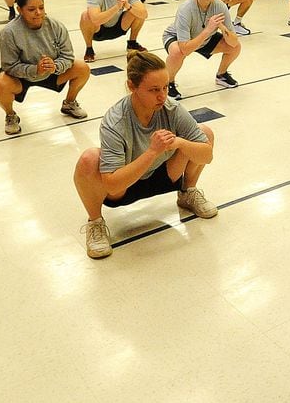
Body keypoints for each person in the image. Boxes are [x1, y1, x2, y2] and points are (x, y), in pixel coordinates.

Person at [73, 51, 217, 259]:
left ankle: (187, 193)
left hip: (166, 175)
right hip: (125, 186)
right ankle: (95, 223)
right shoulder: (115, 121)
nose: (162, 96)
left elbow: (207, 156)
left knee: (204, 134)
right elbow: (112, 185)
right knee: (89, 159)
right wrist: (152, 152)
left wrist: (180, 142)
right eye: (154, 90)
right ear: (132, 87)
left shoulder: (172, 108)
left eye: (166, 87)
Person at [0, 0, 90, 135]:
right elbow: (9, 65)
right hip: (22, 77)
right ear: (19, 10)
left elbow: (68, 56)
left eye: (41, 7)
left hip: (52, 72)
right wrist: (34, 70)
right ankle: (10, 115)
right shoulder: (9, 32)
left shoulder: (56, 26)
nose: (38, 12)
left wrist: (55, 66)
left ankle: (69, 103)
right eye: (31, 9)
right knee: (0, 84)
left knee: (82, 68)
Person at [162, 0, 242, 100]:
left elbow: (233, 42)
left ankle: (221, 75)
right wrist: (208, 30)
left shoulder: (220, 6)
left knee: (235, 47)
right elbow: (185, 49)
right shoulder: (185, 9)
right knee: (177, 52)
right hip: (177, 38)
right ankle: (168, 83)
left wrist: (221, 27)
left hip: (205, 37)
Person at [78, 0, 148, 62]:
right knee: (85, 15)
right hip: (99, 30)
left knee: (136, 11)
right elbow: (95, 20)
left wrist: (128, 6)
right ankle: (89, 49)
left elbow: (144, 14)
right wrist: (117, 7)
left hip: (119, 27)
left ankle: (132, 43)